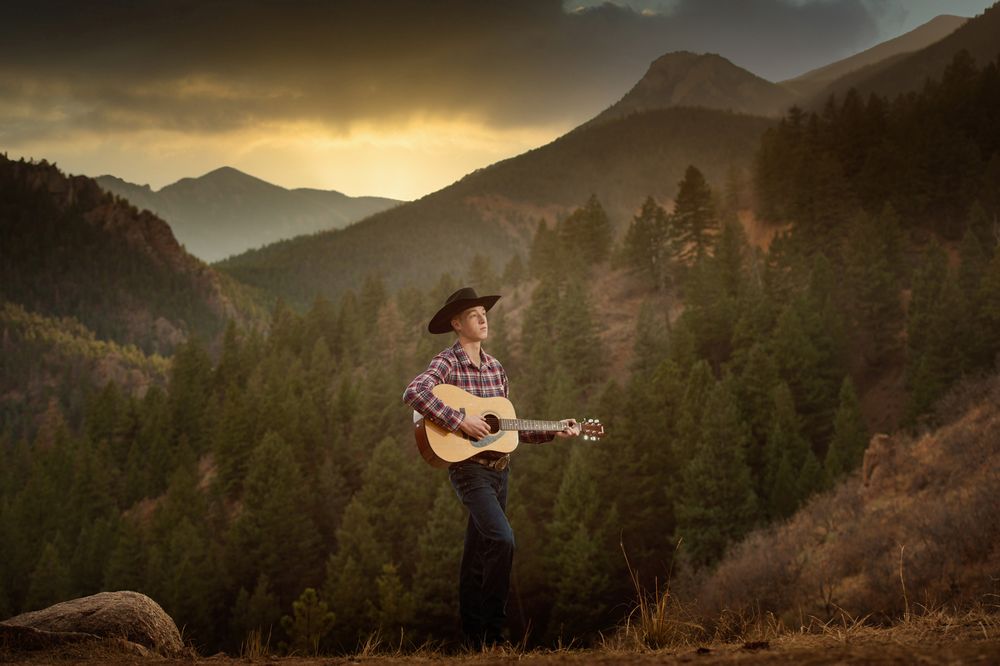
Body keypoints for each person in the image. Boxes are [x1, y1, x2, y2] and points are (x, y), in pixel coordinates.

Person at [402, 286, 580, 648]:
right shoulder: (446, 362)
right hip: (469, 471)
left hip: (501, 471)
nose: (483, 318)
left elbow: (504, 430)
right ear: (457, 323)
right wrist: (458, 421)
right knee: (502, 539)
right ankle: (495, 635)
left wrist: (553, 430)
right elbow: (414, 392)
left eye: (484, 312)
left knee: (475, 557)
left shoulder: (497, 368)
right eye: (473, 314)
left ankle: (473, 641)